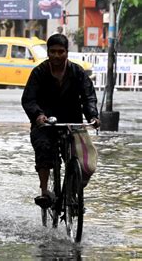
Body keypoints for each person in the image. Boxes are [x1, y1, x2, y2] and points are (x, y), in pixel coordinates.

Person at [21, 34, 100, 208]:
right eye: (53, 52)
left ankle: (72, 193)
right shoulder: (39, 72)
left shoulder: (77, 72)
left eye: (61, 52)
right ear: (48, 52)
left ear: (67, 52)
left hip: (73, 123)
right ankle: (44, 191)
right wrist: (38, 115)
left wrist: (93, 116)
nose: (57, 55)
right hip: (45, 123)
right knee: (43, 148)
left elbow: (88, 97)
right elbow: (28, 99)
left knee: (85, 161)